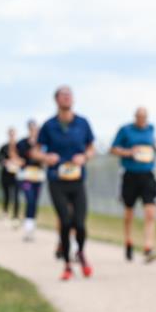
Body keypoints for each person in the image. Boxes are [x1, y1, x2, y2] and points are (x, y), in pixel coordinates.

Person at [34, 85, 96, 280]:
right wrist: (46, 157)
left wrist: (84, 157)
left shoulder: (82, 123)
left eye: (69, 95)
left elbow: (91, 148)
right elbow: (35, 151)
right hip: (57, 180)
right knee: (65, 222)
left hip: (77, 180)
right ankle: (67, 264)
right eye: (63, 95)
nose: (67, 98)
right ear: (56, 100)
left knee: (80, 222)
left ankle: (81, 253)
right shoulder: (49, 125)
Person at [111, 107, 156, 262]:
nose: (142, 120)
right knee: (129, 212)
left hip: (148, 174)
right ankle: (128, 241)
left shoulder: (151, 129)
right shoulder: (125, 130)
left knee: (151, 211)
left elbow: (153, 147)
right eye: (139, 117)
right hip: (130, 174)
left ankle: (148, 246)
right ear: (135, 117)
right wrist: (130, 152)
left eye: (144, 117)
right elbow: (113, 149)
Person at [16, 119, 45, 242]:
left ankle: (31, 226)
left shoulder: (42, 144)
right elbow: (17, 157)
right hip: (26, 175)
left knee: (35, 202)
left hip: (38, 175)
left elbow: (44, 158)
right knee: (30, 199)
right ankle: (28, 228)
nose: (34, 131)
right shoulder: (22, 143)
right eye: (32, 128)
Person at [0, 127, 22, 224]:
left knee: (16, 195)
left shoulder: (19, 147)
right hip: (6, 174)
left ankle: (15, 215)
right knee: (6, 194)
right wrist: (5, 161)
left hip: (16, 174)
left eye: (13, 134)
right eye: (10, 134)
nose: (12, 136)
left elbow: (24, 158)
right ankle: (5, 211)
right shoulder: (4, 147)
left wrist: (18, 161)